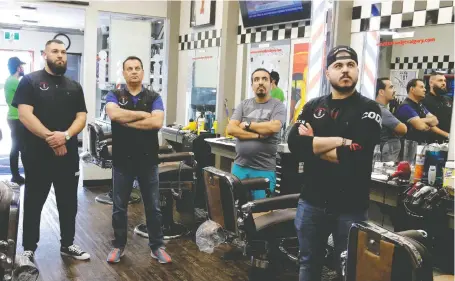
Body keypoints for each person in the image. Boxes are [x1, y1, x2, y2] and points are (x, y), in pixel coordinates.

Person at [287, 45, 382, 281]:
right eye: (338, 66)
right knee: (308, 263)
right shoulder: (313, 106)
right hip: (312, 202)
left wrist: (312, 146)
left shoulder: (369, 108)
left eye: (350, 65)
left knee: (349, 270)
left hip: (351, 206)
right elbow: (294, 144)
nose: (345, 70)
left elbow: (357, 156)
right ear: (327, 73)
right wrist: (341, 141)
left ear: (358, 70)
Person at [12, 39, 90, 261]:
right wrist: (52, 138)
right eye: (55, 51)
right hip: (37, 155)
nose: (60, 56)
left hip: (68, 156)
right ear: (44, 54)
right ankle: (28, 248)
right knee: (35, 201)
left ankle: (68, 244)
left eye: (63, 52)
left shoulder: (74, 87)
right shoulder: (30, 81)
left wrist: (64, 136)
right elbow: (25, 115)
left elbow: (81, 117)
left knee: (68, 202)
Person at [105, 56, 171, 264]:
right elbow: (114, 116)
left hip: (147, 160)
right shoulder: (114, 94)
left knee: (153, 206)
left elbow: (157, 123)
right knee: (119, 207)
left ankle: (157, 246)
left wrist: (128, 121)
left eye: (137, 68)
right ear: (124, 73)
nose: (133, 71)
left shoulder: (154, 96)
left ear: (143, 72)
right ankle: (118, 246)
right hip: (122, 160)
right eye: (129, 68)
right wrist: (144, 115)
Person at [227, 68, 286, 199]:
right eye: (256, 79)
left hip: (263, 169)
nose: (260, 82)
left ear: (271, 84)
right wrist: (257, 135)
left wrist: (248, 125)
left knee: (260, 214)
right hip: (240, 167)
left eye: (264, 79)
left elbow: (274, 127)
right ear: (252, 85)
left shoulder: (278, 106)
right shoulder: (244, 105)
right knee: (237, 209)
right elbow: (231, 129)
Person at [395, 79, 447, 144]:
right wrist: (424, 122)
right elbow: (420, 126)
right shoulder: (405, 106)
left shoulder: (420, 105)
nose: (425, 90)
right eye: (421, 87)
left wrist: (420, 120)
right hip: (407, 147)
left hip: (419, 145)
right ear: (412, 89)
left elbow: (435, 121)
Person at [4, 57, 26, 184]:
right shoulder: (15, 82)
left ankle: (17, 174)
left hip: (14, 117)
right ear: (18, 67)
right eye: (21, 66)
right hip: (17, 118)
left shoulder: (10, 80)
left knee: (18, 146)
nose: (23, 68)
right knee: (18, 147)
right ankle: (16, 175)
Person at [375, 78, 407, 161]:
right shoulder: (381, 110)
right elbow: (403, 129)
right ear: (381, 92)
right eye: (391, 87)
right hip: (383, 159)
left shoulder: (378, 108)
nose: (394, 91)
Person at [422, 72, 452, 142]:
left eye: (445, 80)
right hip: (432, 142)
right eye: (440, 80)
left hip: (448, 141)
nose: (444, 83)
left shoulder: (448, 99)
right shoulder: (424, 100)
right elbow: (427, 124)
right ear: (431, 83)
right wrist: (447, 135)